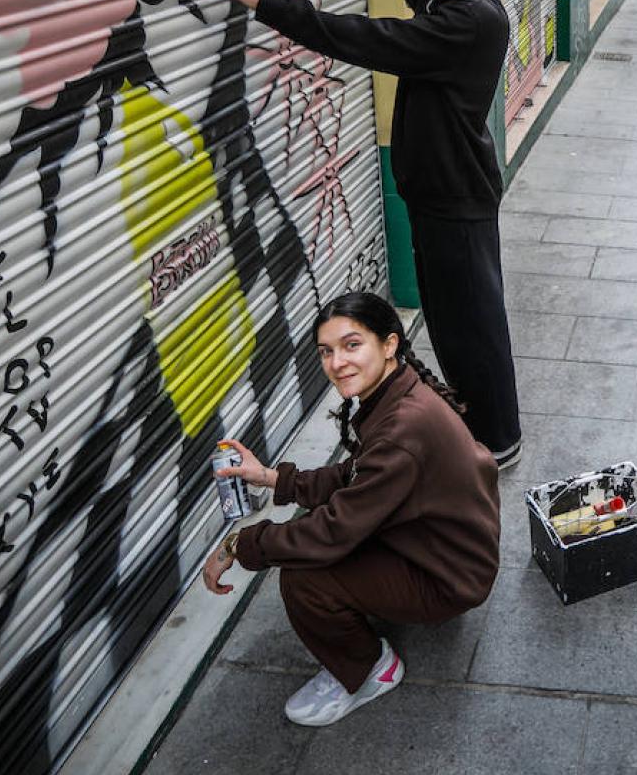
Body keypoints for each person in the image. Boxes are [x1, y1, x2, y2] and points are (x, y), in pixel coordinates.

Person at [198, 0, 524, 468]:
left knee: (473, 329)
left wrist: (261, 2)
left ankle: (498, 441)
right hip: (433, 196)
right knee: (451, 324)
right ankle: (475, 421)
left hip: (457, 202)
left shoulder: (472, 20)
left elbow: (364, 38)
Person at [201, 291, 500, 728]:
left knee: (304, 577)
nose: (337, 362)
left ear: (389, 344)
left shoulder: (401, 429)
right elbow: (355, 475)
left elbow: (332, 533)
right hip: (448, 550)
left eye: (351, 345)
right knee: (310, 535)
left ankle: (369, 671)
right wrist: (272, 478)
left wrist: (239, 543)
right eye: (326, 351)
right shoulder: (400, 395)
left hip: (448, 578)